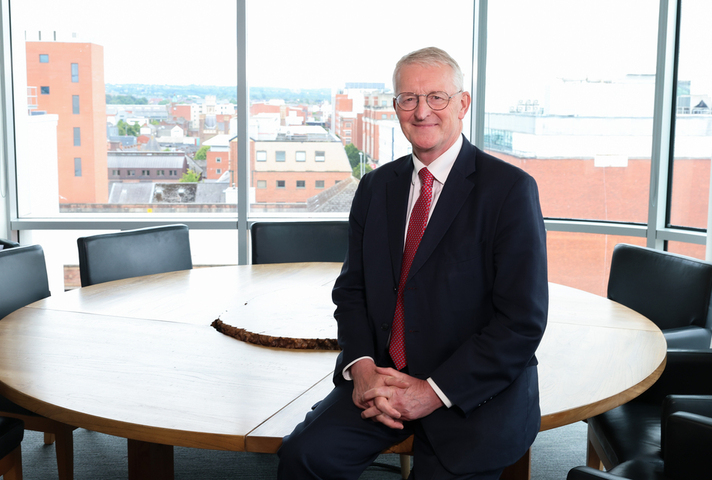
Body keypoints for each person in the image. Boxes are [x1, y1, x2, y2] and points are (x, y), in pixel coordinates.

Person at [277, 46, 548, 480]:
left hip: (470, 391)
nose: (422, 111)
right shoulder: (375, 187)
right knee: (304, 457)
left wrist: (432, 392)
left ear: (462, 104)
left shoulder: (509, 191)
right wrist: (362, 369)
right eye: (409, 99)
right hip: (381, 380)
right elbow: (353, 292)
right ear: (396, 107)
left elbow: (521, 322)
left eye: (436, 97)